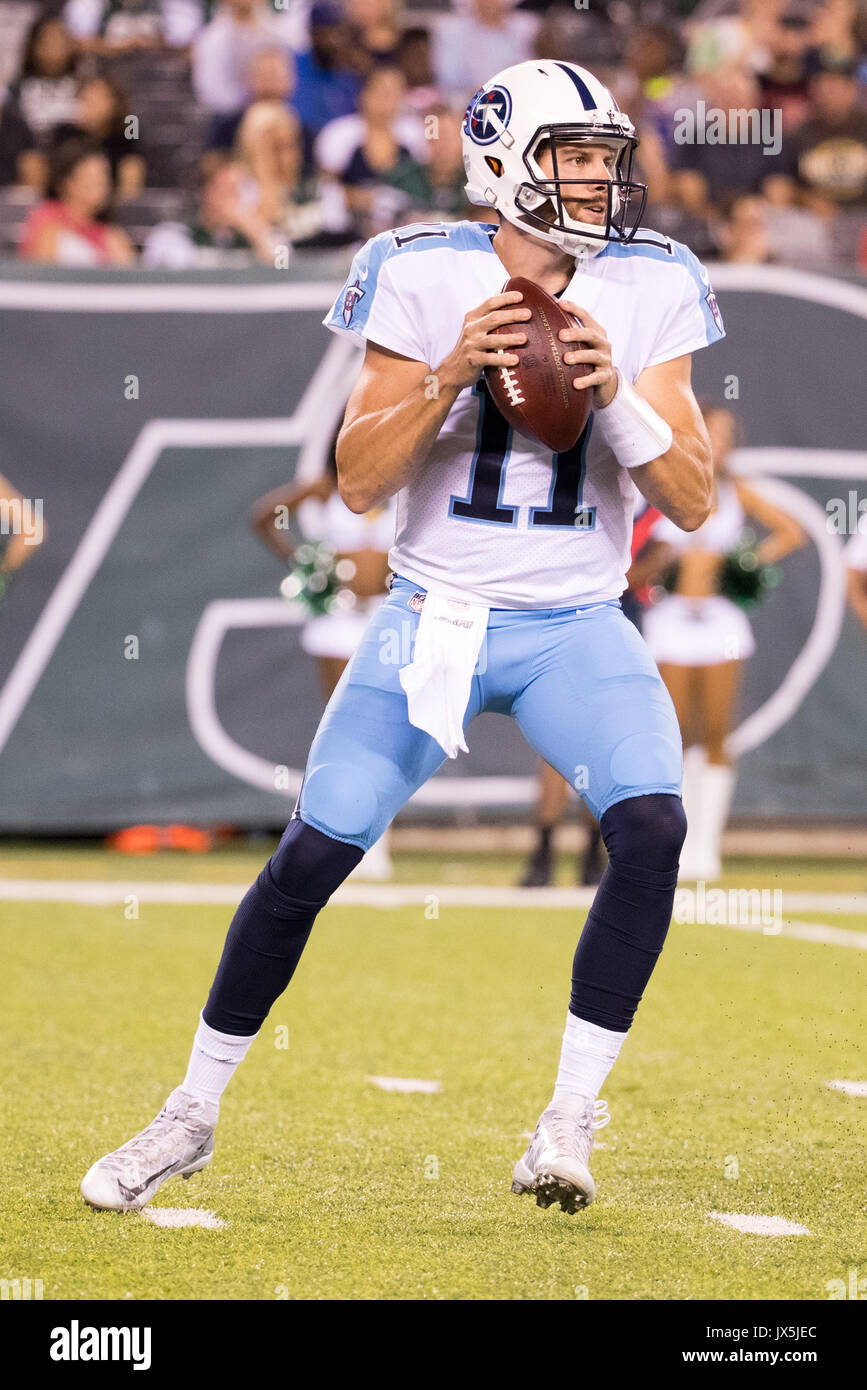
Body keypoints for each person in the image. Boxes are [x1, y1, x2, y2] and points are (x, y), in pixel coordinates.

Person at [81, 58, 725, 1219]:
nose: (596, 177)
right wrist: (447, 378)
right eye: (570, 155)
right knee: (313, 856)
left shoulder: (653, 279)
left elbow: (689, 501)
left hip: (578, 620)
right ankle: (190, 1109)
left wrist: (618, 394)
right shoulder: (420, 268)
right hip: (436, 615)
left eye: (601, 156)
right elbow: (360, 480)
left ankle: (569, 1119)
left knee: (653, 826)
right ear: (499, 163)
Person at [643, 405, 805, 882]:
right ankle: (673, 843)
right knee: (672, 733)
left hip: (722, 624)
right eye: (713, 431)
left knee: (715, 730)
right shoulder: (662, 481)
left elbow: (791, 531)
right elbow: (645, 544)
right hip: (670, 619)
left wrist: (744, 564)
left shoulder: (737, 491)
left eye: (728, 434)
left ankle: (706, 849)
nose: (722, 441)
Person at [250, 444, 395, 878]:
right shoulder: (327, 486)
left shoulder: (401, 484)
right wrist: (305, 565)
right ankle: (320, 839)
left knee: (384, 731)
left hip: (388, 618)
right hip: (339, 617)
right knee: (340, 730)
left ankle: (376, 842)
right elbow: (264, 517)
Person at [519, 500, 674, 889]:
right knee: (553, 744)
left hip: (617, 623)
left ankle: (592, 856)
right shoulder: (586, 486)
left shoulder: (649, 501)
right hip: (567, 621)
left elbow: (663, 553)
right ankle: (544, 853)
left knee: (606, 746)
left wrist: (616, 579)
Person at [143, 155, 277, 266]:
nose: (233, 198)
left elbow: (286, 269)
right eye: (226, 189)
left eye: (239, 190)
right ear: (204, 192)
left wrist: (257, 235)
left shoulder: (261, 234)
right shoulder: (173, 235)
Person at [19, 140, 135, 266]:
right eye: (91, 178)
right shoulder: (48, 223)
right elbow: (42, 272)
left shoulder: (111, 234)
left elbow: (128, 272)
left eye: (104, 176)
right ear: (67, 182)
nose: (101, 185)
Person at [50, 75, 146, 202]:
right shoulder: (64, 131)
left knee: (133, 167)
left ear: (114, 103)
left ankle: (126, 210)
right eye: (87, 97)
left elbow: (133, 161)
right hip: (71, 192)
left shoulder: (129, 128)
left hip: (110, 195)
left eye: (99, 98)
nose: (92, 102)